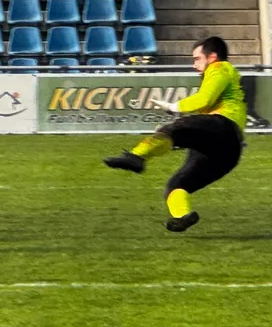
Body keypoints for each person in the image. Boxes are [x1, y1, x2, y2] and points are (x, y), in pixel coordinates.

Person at [103, 37, 246, 232]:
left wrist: (174, 107)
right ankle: (183, 216)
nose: (194, 63)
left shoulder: (219, 67)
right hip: (230, 150)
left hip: (222, 126)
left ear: (212, 57)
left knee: (173, 130)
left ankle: (136, 157)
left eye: (197, 58)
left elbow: (205, 99)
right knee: (177, 185)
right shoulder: (224, 74)